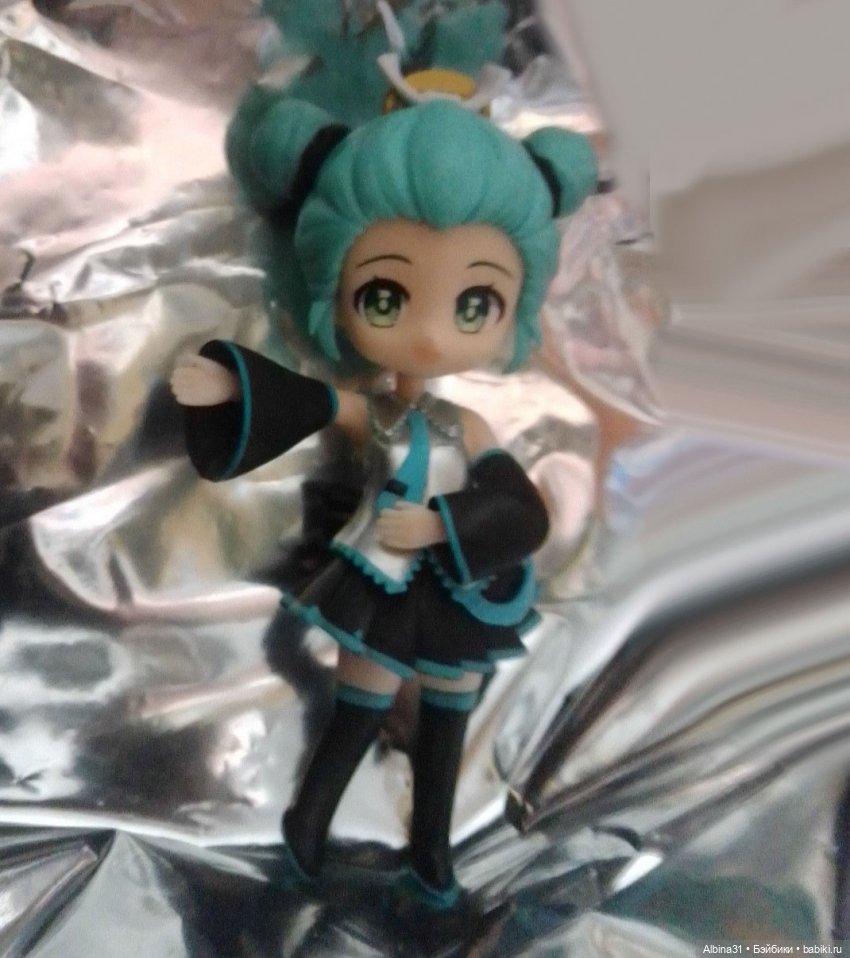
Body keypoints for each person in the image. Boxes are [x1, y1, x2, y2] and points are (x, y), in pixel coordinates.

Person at [170, 84, 597, 909]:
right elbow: (307, 402)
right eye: (385, 297)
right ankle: (308, 822)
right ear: (337, 291)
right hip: (384, 587)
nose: (430, 334)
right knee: (356, 712)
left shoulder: (469, 423)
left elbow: (521, 505)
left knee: (448, 725)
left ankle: (431, 849)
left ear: (513, 310)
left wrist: (442, 527)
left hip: (461, 590)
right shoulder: (379, 413)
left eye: (474, 304)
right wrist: (233, 384)